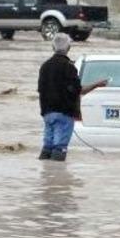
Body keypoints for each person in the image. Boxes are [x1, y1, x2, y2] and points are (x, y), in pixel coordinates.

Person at [37, 33, 106, 161]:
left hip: (47, 113)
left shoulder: (44, 66)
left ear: (53, 47)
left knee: (47, 147)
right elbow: (78, 90)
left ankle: (46, 176)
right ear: (69, 47)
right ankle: (58, 177)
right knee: (60, 148)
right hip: (64, 114)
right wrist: (97, 84)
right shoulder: (69, 67)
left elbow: (41, 90)